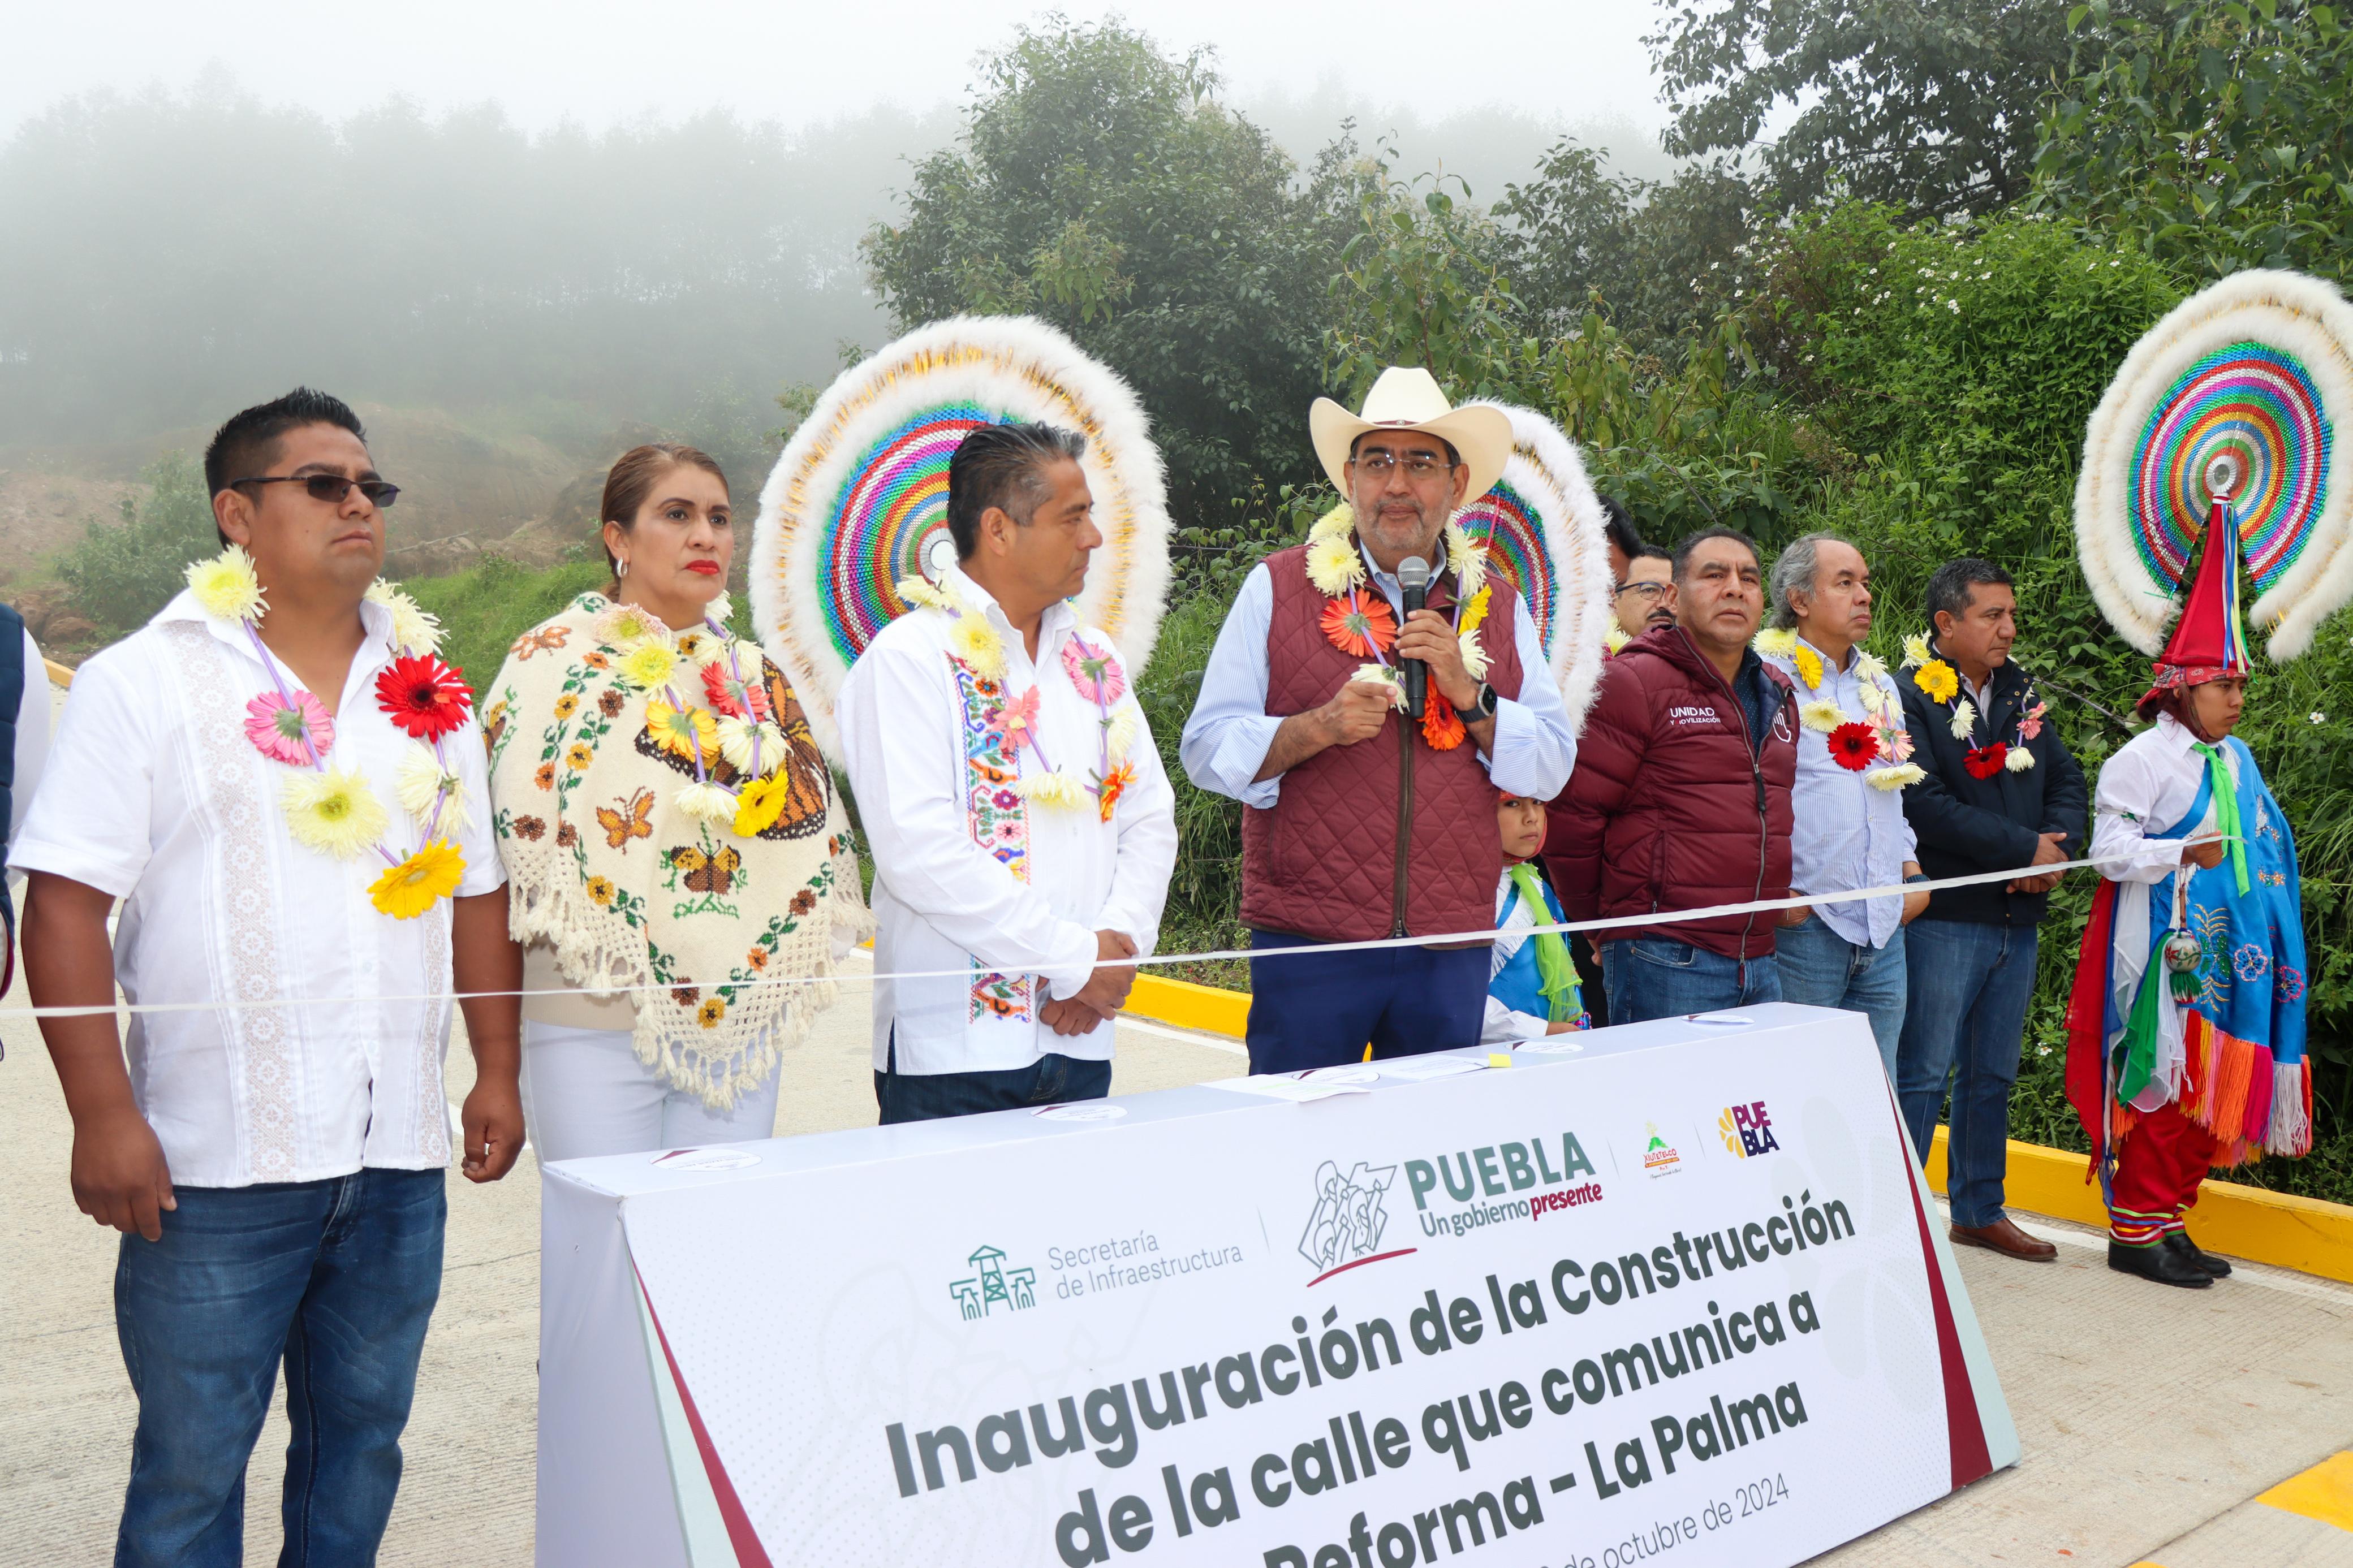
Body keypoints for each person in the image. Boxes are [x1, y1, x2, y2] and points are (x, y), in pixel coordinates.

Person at [14, 388, 522, 1566]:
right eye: (325, 485)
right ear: (237, 514)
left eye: (372, 488)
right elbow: (67, 902)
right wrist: (103, 1115)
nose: (360, 504)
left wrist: (496, 1068)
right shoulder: (148, 680)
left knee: (362, 1449)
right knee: (193, 1470)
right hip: (213, 1165)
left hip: (394, 1154)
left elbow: (479, 890)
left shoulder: (430, 696)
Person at [1182, 368, 1576, 1070]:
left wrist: (1470, 695)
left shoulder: (1502, 606)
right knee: (1298, 1144)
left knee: (1432, 1146)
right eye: (1377, 461)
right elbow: (1206, 748)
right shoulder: (1276, 585)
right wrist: (1316, 728)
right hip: (1312, 938)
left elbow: (1550, 763)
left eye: (1421, 462)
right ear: (1349, 479)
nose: (1397, 484)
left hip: (1451, 942)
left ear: (1456, 487)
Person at [482, 443, 867, 1160]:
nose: (705, 536)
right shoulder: (551, 660)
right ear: (618, 539)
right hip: (587, 1011)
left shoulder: (754, 677)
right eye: (677, 514)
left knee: (713, 1247)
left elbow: (808, 828)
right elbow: (509, 846)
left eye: (719, 518)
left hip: (742, 1016)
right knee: (600, 1246)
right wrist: (496, 1061)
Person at [840, 422, 1178, 1121]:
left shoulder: (1094, 657)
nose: (1093, 538)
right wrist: (1075, 961)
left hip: (1080, 1037)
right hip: (955, 1053)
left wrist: (1108, 959)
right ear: (998, 529)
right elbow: (917, 851)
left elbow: (1147, 815)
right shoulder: (908, 659)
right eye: (1072, 517)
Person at [2065, 506, 2309, 1288]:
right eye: (2223, 685)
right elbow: (2107, 855)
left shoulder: (2235, 757)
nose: (2238, 699)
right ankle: (2135, 1231)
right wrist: (2182, 851)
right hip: (2167, 950)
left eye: (2241, 684)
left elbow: (2265, 849)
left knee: (2210, 1095)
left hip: (2233, 955)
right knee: (2166, 1087)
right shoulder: (2141, 762)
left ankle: (2170, 1220)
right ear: (2180, 688)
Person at [1895, 558, 2086, 1264]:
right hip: (1947, 916)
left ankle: (1977, 1210)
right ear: (1945, 624)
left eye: (2009, 614)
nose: (2007, 628)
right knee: (1922, 1069)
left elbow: (2064, 775)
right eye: (1991, 615)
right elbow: (1920, 801)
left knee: (1992, 1073)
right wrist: (2021, 849)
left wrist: (2056, 848)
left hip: (2017, 917)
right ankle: (1902, 1217)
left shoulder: (2017, 690)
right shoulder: (1909, 695)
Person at [1544, 529, 1796, 1022]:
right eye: (1714, 575)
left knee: (1747, 1101)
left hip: (1761, 955)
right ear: (1674, 597)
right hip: (1665, 954)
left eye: (1748, 578)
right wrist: (1600, 927)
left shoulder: (1778, 692)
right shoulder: (1632, 681)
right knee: (1668, 1100)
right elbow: (1573, 817)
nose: (1734, 588)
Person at [1755, 534, 1929, 1073]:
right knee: (1799, 1091)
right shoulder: (1764, 676)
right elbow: (1748, 793)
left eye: (1867, 583)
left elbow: (1890, 788)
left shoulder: (1881, 683)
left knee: (1875, 1099)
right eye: (1846, 583)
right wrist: (1777, 895)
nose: (1865, 596)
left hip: (1884, 924)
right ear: (1800, 600)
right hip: (1806, 924)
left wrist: (1911, 871)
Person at [1484, 790, 1588, 1043]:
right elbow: (1453, 997)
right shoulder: (1470, 894)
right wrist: (1538, 1030)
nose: (1532, 817)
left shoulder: (1535, 881)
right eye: (1512, 804)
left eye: (1538, 803)